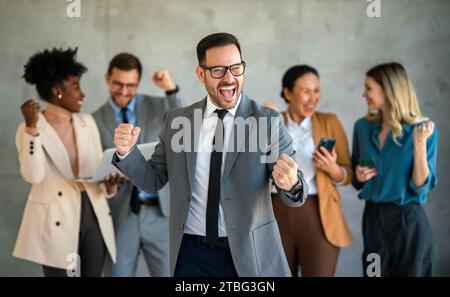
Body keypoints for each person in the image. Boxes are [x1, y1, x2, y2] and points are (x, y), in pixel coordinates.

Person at [112, 32, 309, 277]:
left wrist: (291, 183)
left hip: (250, 253)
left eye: (236, 68)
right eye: (218, 70)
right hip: (192, 254)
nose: (229, 79)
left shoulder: (267, 122)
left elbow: (295, 194)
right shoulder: (178, 121)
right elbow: (154, 180)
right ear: (200, 73)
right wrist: (126, 152)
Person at [14, 47, 119, 277]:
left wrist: (110, 185)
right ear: (57, 91)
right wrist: (32, 129)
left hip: (93, 211)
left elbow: (97, 169)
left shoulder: (87, 122)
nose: (82, 94)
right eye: (76, 87)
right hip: (55, 216)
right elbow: (33, 176)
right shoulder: (29, 127)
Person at [93, 53, 181, 277]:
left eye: (130, 85)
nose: (124, 91)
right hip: (121, 214)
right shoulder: (93, 120)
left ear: (138, 82)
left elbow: (186, 124)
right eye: (118, 84)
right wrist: (107, 182)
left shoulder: (158, 105)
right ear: (107, 79)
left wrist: (171, 90)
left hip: (160, 212)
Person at [352, 62, 438, 277]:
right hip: (373, 220)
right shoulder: (362, 127)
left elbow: (421, 188)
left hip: (408, 221)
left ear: (388, 89)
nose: (364, 94)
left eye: (368, 88)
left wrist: (419, 144)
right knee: (373, 274)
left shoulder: (423, 129)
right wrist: (360, 175)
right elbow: (357, 177)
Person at [269, 65, 353, 276]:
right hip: (273, 212)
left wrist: (332, 169)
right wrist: (260, 121)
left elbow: (347, 174)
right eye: (306, 91)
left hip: (319, 213)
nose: (313, 98)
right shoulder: (271, 121)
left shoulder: (329, 122)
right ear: (288, 93)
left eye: (316, 91)